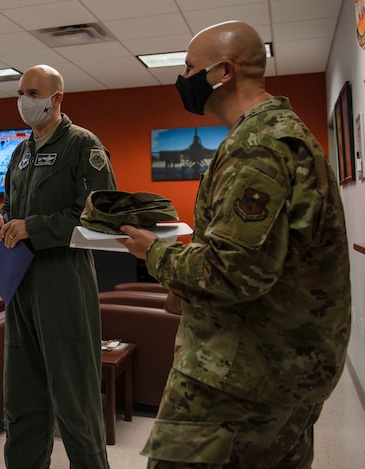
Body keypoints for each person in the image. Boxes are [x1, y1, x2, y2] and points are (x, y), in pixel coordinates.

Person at [118, 21, 351, 468]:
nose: (182, 79)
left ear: (223, 72)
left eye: (189, 68)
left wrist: (155, 251)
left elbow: (232, 272)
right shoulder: (282, 133)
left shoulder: (257, 147)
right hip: (281, 367)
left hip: (238, 378)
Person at [0, 64, 117, 468]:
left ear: (57, 98)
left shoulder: (82, 145)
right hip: (20, 283)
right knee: (22, 402)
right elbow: (11, 205)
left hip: (63, 281)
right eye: (21, 92)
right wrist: (1, 220)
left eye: (33, 92)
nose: (24, 100)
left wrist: (34, 227)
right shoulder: (21, 153)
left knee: (75, 404)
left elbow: (102, 214)